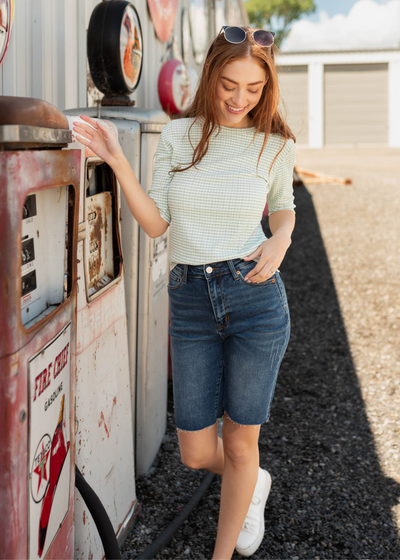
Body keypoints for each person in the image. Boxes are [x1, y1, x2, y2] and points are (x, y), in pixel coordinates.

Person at [73, 24, 296, 560]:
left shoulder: (276, 144)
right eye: (229, 84)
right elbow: (156, 224)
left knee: (241, 443)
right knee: (197, 452)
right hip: (191, 299)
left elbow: (284, 206)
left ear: (267, 89)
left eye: (254, 89)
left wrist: (282, 238)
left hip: (255, 298)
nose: (240, 98)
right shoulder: (178, 136)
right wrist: (119, 162)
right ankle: (254, 481)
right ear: (210, 76)